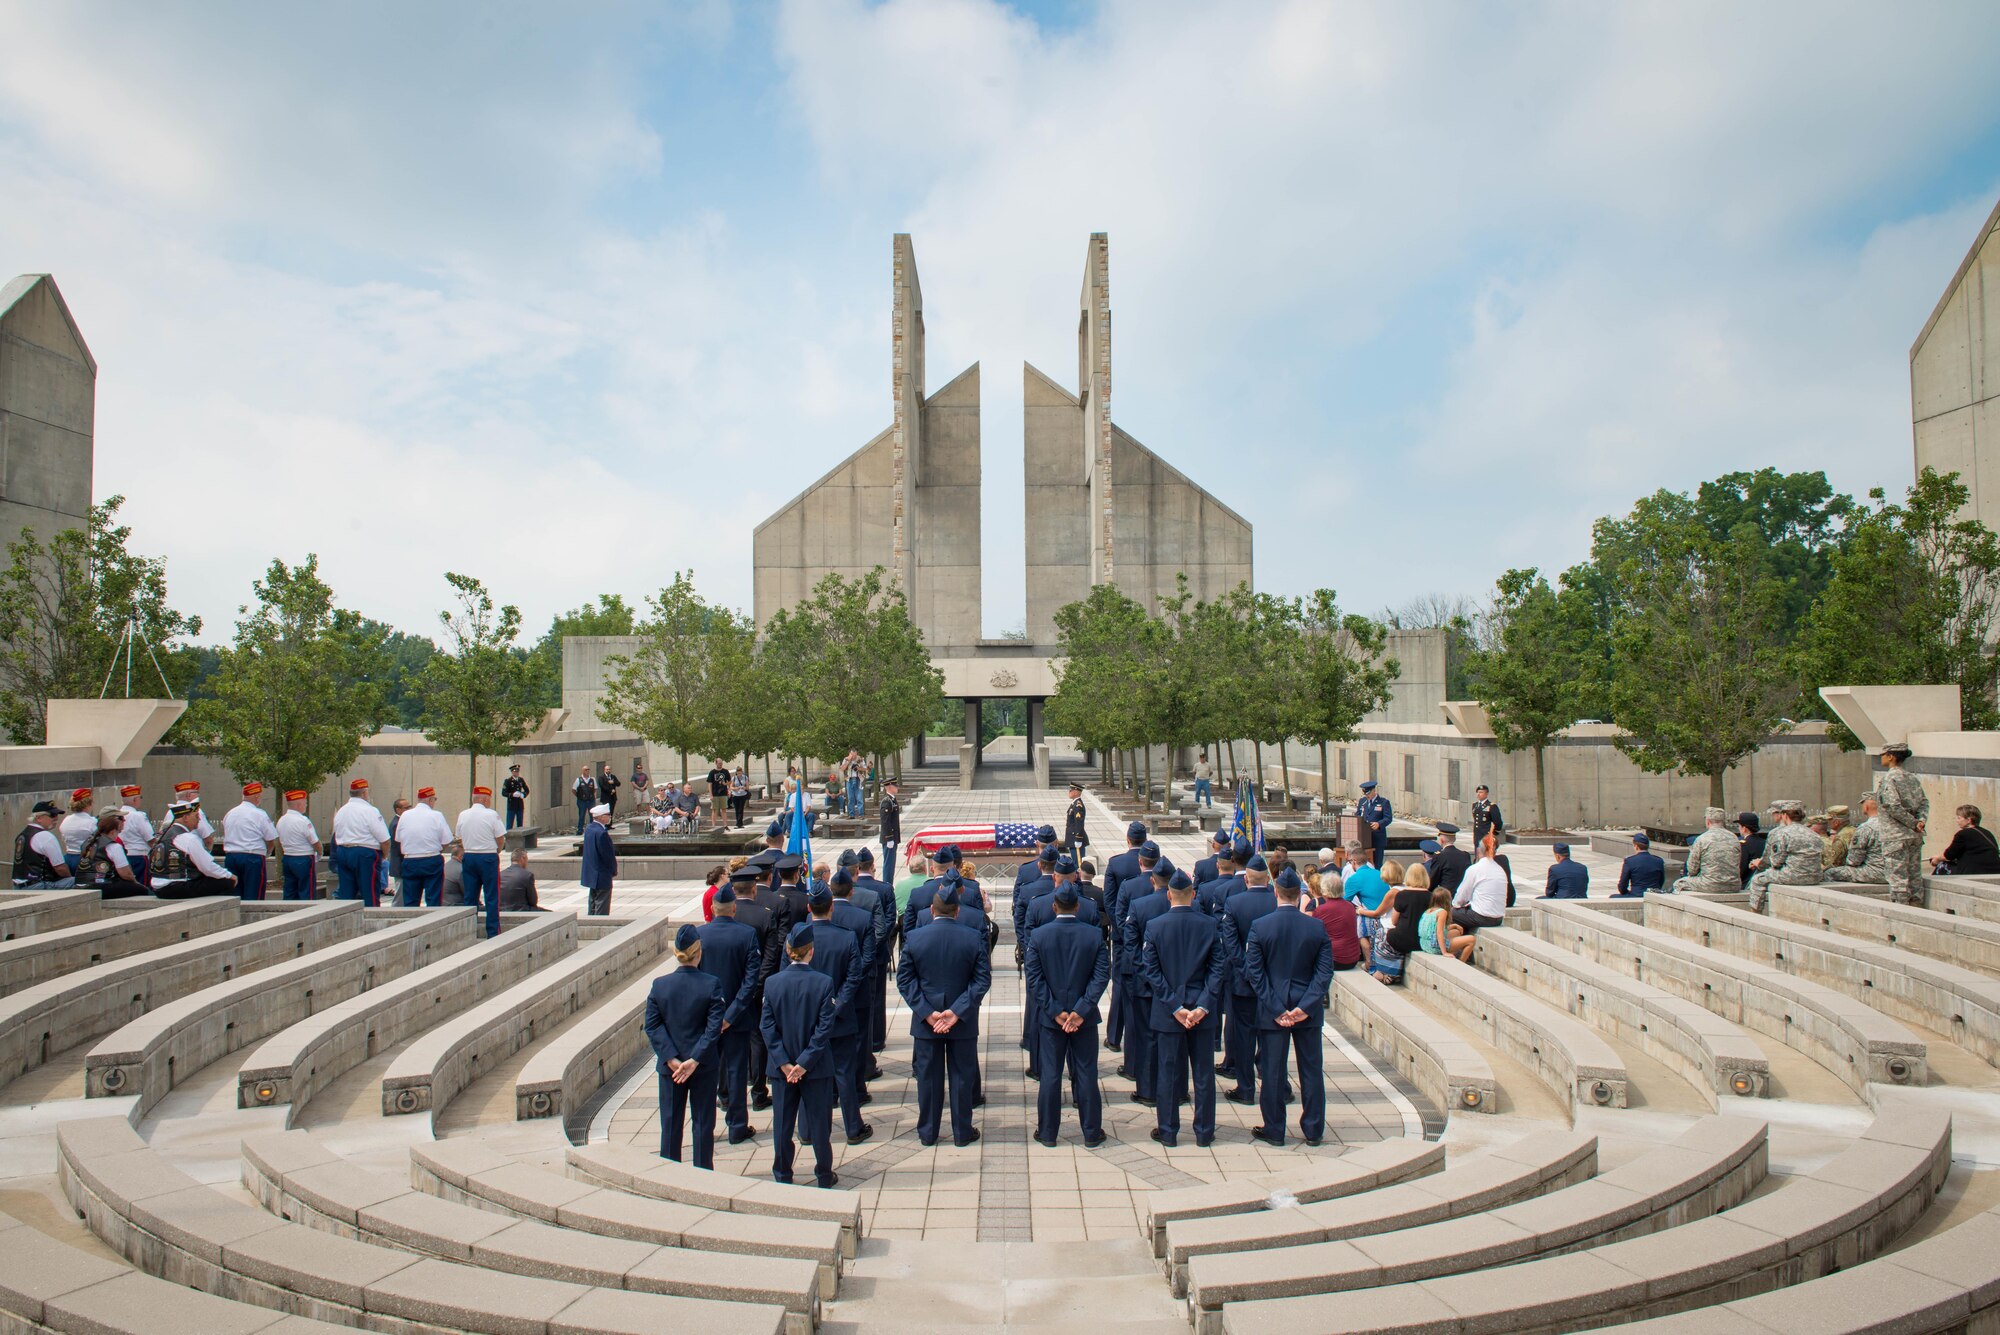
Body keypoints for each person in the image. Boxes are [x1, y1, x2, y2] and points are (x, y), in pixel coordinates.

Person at [1244, 867, 1334, 1147]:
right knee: (1311, 1069)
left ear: (1276, 894)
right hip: (1307, 1010)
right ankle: (1313, 1128)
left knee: (1272, 1071)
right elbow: (1324, 972)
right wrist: (1306, 1006)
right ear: (1299, 896)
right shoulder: (1316, 926)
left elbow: (1254, 973)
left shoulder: (1261, 926)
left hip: (1273, 1010)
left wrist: (1275, 1007)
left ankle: (1274, 1128)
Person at [897, 882, 990, 1147]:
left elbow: (905, 981)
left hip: (928, 1023)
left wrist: (927, 1013)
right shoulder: (972, 937)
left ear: (931, 910)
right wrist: (956, 1012)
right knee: (962, 1078)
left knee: (928, 1078)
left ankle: (928, 1131)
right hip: (961, 1020)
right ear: (957, 911)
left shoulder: (915, 937)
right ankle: (962, 1132)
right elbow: (981, 980)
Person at [1142, 869, 1226, 1146]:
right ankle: (1204, 1132)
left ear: (1168, 896)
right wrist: (1202, 1005)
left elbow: (1152, 972)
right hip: (1201, 1012)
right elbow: (1217, 969)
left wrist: (1175, 1006)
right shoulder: (1208, 925)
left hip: (1169, 1013)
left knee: (1168, 1073)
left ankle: (1168, 1131)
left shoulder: (1155, 926)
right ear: (1192, 895)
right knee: (1203, 1074)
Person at [1024, 881, 1109, 1147]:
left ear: (1053, 906)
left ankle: (1048, 1133)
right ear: (1078, 907)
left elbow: (1034, 979)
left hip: (1052, 1020)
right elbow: (1101, 976)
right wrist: (1082, 1009)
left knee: (1050, 1075)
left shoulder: (1039, 936)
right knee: (1086, 1074)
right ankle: (1091, 1132)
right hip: (1083, 1019)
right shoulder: (1093, 935)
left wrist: (1055, 1011)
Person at [761, 923, 840, 1188]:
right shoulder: (823, 982)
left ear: (787, 950)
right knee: (819, 1125)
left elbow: (767, 1027)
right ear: (811, 952)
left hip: (782, 1071)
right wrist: (804, 1063)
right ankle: (824, 1174)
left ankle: (783, 1173)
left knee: (783, 1125)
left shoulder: (772, 983)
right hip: (815, 1068)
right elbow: (824, 1028)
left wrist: (784, 1062)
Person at [645, 924, 724, 1167]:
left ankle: (670, 1174)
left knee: (670, 1123)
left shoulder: (660, 985)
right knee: (702, 1123)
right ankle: (701, 1173)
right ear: (699, 953)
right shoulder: (711, 984)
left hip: (672, 1068)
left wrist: (671, 1058)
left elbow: (653, 1026)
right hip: (702, 1066)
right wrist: (695, 1059)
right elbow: (714, 1028)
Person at [805, 881, 874, 1146]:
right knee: (844, 1073)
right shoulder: (845, 937)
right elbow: (853, 977)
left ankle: (808, 1129)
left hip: (808, 1020)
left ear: (810, 907)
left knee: (808, 1071)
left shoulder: (798, 936)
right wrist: (837, 1005)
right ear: (831, 907)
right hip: (840, 1017)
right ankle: (853, 1128)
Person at [698, 880, 765, 1145]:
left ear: (714, 909)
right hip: (736, 1018)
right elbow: (751, 980)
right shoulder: (746, 935)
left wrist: (715, 1016)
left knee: (707, 1072)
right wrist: (732, 1013)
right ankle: (737, 1126)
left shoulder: (700, 935)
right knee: (737, 1071)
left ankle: (705, 1127)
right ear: (733, 909)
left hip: (708, 1019)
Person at [1222, 858, 1281, 1107]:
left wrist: (1248, 971)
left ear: (1246, 879)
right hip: (1272, 984)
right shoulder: (1276, 901)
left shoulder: (1234, 903)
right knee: (1271, 1038)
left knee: (1244, 1037)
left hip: (1244, 982)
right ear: (1267, 880)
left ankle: (1246, 1088)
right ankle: (1276, 1085)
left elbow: (1231, 945)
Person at [1121, 860, 1174, 1106]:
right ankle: (1178, 1090)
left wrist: (1147, 974)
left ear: (1152, 880)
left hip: (1145, 984)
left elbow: (1131, 947)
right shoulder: (1187, 905)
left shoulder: (1139, 906)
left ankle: (1147, 1090)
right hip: (1176, 986)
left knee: (1146, 1037)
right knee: (1175, 1041)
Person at [1101, 822, 1150, 1053]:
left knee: (1121, 984)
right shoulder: (1157, 862)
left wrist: (1121, 929)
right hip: (1151, 936)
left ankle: (1114, 1036)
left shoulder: (1116, 863)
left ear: (1128, 839)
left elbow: (1109, 902)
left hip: (1122, 937)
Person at [1745, 799, 1825, 912]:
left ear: (1785, 815)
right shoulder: (1812, 833)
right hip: (1815, 876)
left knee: (1758, 879)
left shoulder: (1783, 833)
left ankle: (1755, 913)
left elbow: (1776, 862)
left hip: (1793, 876)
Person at [1874, 743, 1929, 905]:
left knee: (1898, 878)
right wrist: (1920, 821)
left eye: (1883, 754)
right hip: (1914, 836)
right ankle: (1917, 908)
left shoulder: (1889, 778)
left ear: (1891, 756)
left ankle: (1901, 912)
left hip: (1895, 836)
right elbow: (1924, 803)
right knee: (1914, 876)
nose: (1881, 758)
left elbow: (1892, 806)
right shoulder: (1911, 778)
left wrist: (1913, 823)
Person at [150, 798, 239, 897]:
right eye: (196, 816)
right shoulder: (188, 838)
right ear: (185, 818)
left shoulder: (164, 835)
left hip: (158, 888)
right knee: (226, 882)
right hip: (176, 887)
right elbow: (207, 867)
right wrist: (230, 876)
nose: (199, 819)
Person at [1369, 864, 1432, 984]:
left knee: (1381, 933)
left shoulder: (1402, 895)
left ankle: (1386, 971)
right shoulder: (1431, 896)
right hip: (1421, 940)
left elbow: (1394, 921)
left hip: (1403, 938)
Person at [331, 780, 391, 906]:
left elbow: (336, 834)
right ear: (364, 793)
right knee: (369, 891)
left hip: (343, 851)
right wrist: (384, 857)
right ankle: (371, 917)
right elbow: (384, 839)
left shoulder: (342, 811)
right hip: (365, 853)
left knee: (346, 893)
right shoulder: (370, 810)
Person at [457, 786, 507, 937]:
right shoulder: (491, 815)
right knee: (491, 895)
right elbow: (500, 838)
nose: (490, 802)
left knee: (470, 896)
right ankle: (492, 931)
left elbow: (459, 837)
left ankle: (468, 931)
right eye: (489, 799)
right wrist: (497, 850)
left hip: (470, 856)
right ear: (484, 799)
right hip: (487, 857)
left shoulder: (463, 814)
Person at [219, 783, 279, 901]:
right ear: (257, 797)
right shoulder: (260, 814)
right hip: (252, 857)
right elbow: (271, 838)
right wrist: (268, 852)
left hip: (231, 856)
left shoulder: (230, 813)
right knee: (253, 894)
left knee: (234, 895)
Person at [395, 787, 453, 908]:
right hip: (431, 859)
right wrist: (438, 849)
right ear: (431, 800)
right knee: (433, 899)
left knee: (410, 900)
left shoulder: (405, 815)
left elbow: (399, 839)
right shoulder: (436, 815)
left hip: (410, 859)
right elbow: (447, 839)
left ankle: (411, 924)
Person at [1827, 796, 1892, 886]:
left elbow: (1853, 860)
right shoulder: (1893, 826)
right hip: (1895, 873)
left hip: (1875, 873)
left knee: (1830, 873)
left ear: (1866, 807)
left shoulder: (1866, 827)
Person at [1672, 809, 1740, 895]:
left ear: (1707, 821)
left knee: (1679, 883)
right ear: (1723, 821)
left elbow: (1692, 869)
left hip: (1709, 884)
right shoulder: (1734, 838)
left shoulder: (1702, 839)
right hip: (1734, 885)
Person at [1306, 871, 1364, 971]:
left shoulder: (1321, 910)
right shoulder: (1350, 906)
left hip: (1334, 959)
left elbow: (1312, 935)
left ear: (1324, 890)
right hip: (1353, 958)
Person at [1451, 836, 1509, 933]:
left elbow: (1461, 897)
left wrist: (1454, 906)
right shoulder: (1500, 870)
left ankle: (1451, 945)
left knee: (1446, 913)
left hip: (1482, 916)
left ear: (1478, 850)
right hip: (1498, 918)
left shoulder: (1475, 869)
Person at [14, 801, 75, 888]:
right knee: (77, 882)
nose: (56, 818)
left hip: (18, 886)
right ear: (38, 818)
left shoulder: (22, 835)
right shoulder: (45, 836)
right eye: (52, 815)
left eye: (57, 815)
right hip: (38, 885)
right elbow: (60, 868)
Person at [77, 810, 140, 895]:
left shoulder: (88, 842)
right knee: (143, 890)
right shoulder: (113, 846)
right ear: (113, 830)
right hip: (102, 885)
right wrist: (136, 882)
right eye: (121, 818)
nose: (124, 821)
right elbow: (126, 874)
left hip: (80, 884)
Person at [275, 790, 321, 900]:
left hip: (287, 858)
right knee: (307, 890)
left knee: (289, 890)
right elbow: (315, 842)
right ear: (299, 804)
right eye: (305, 803)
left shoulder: (281, 820)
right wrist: (319, 853)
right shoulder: (303, 821)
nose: (306, 805)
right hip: (303, 858)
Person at [1932, 804, 2000, 876]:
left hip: (1975, 873)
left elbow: (1948, 855)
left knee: (1942, 865)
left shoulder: (1963, 834)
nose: (1957, 821)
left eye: (1959, 818)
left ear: (1968, 820)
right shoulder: (1987, 833)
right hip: (1995, 871)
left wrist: (1936, 859)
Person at [581, 803, 616, 915]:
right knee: (601, 907)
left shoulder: (590, 829)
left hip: (592, 874)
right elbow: (607, 856)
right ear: (601, 817)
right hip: (601, 875)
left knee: (593, 904)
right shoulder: (601, 833)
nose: (609, 817)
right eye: (608, 814)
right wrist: (613, 870)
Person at [116, 785, 153, 889]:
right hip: (139, 856)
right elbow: (150, 838)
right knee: (142, 886)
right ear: (134, 799)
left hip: (123, 856)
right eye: (140, 798)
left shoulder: (118, 814)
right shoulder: (139, 815)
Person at [57, 788, 96, 872]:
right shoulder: (92, 822)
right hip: (84, 859)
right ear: (88, 804)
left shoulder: (66, 820)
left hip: (68, 858)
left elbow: (63, 838)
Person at [1357, 780, 1391, 869]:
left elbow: (1388, 818)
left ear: (1373, 791)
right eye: (1365, 793)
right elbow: (1358, 815)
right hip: (1364, 839)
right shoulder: (1362, 801)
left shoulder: (1383, 802)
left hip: (1377, 838)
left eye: (1368, 793)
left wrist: (1379, 824)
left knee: (1377, 864)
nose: (1366, 796)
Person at [1428, 823, 1472, 894]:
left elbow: (1433, 881)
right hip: (1462, 895)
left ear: (1442, 840)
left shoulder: (1439, 857)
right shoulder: (1465, 855)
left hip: (1446, 898)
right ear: (1454, 839)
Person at [1737, 813, 1767, 888]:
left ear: (1744, 828)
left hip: (1747, 884)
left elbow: (1742, 868)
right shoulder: (1764, 842)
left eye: (1739, 826)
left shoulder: (1744, 844)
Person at [1064, 782, 1090, 863]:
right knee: (1075, 862)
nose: (1069, 792)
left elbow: (1079, 823)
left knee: (1078, 864)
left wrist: (1078, 839)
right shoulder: (1074, 804)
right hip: (1072, 839)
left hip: (1076, 839)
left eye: (1070, 790)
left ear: (1075, 792)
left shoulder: (1078, 806)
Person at [879, 778, 901, 874]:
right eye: (895, 785)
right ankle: (887, 884)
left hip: (892, 837)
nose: (897, 787)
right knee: (889, 864)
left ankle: (889, 884)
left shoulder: (892, 799)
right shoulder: (887, 801)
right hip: (889, 837)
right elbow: (885, 822)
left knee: (891, 864)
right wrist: (889, 838)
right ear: (890, 787)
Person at [1823, 806, 1854, 870]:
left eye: (1829, 820)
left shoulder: (1840, 837)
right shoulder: (1855, 830)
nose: (1828, 823)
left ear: (1836, 822)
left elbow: (1834, 864)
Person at [501, 764, 530, 831]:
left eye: (517, 771)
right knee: (509, 824)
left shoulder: (520, 780)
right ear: (512, 772)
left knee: (520, 824)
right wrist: (512, 794)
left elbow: (527, 790)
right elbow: (503, 793)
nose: (516, 773)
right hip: (512, 805)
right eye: (515, 771)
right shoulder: (508, 781)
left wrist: (523, 794)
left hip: (519, 804)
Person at [704, 759, 731, 831]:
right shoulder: (712, 772)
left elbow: (730, 781)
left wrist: (726, 785)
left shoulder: (725, 771)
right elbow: (709, 784)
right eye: (719, 763)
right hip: (715, 793)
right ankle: (713, 825)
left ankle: (725, 825)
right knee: (714, 809)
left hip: (723, 793)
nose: (720, 764)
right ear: (716, 763)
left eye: (721, 763)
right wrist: (711, 794)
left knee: (724, 809)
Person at [572, 768, 597, 836]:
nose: (587, 771)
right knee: (581, 816)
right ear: (583, 771)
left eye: (588, 770)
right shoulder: (578, 780)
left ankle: (592, 829)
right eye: (586, 770)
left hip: (590, 801)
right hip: (582, 801)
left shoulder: (592, 779)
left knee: (592, 816)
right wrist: (579, 796)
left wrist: (591, 796)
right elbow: (574, 790)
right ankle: (580, 830)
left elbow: (595, 789)